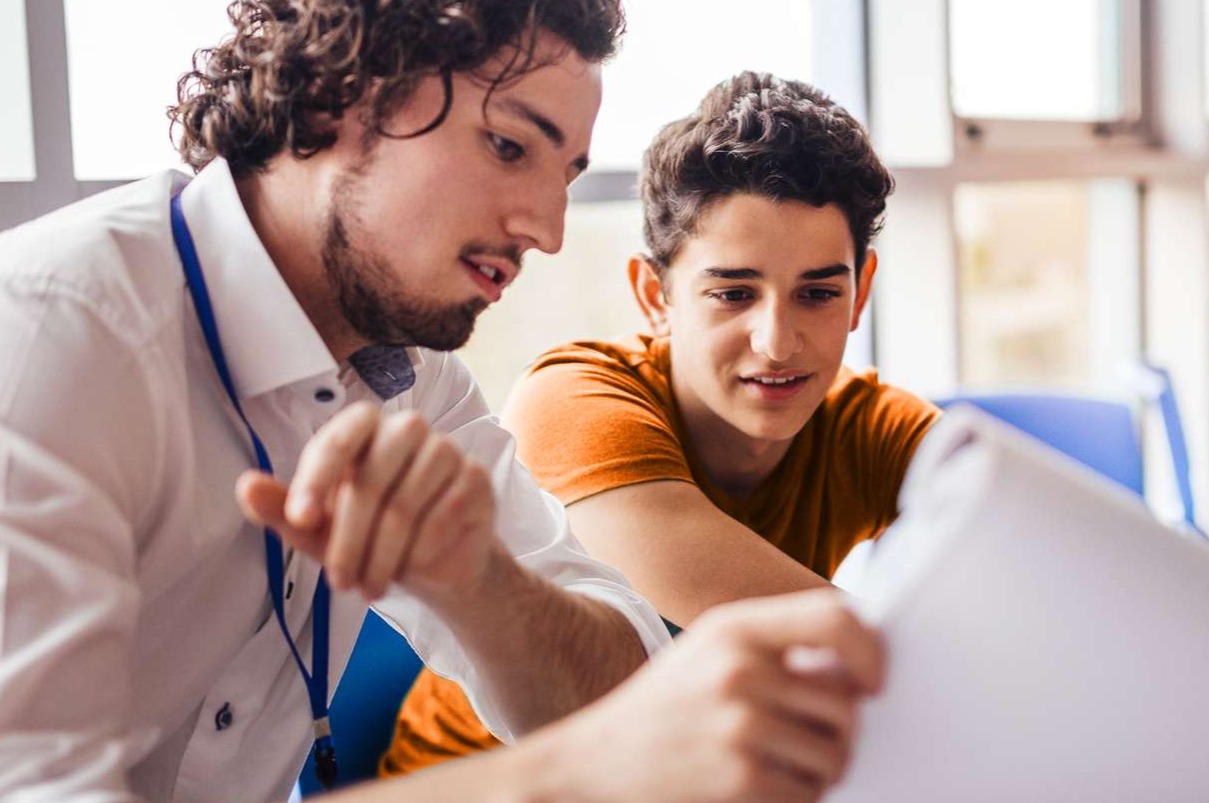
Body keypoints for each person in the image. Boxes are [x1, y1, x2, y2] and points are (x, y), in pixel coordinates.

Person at [0, 3, 883, 801]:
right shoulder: (52, 335)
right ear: (338, 97)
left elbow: (626, 688)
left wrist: (481, 584)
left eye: (567, 173)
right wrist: (555, 773)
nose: (547, 226)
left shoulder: (408, 377)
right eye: (509, 147)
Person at [386, 71, 939, 773]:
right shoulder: (574, 399)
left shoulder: (870, 425)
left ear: (859, 294)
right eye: (732, 292)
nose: (776, 341)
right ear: (655, 295)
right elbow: (877, 665)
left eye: (817, 293)